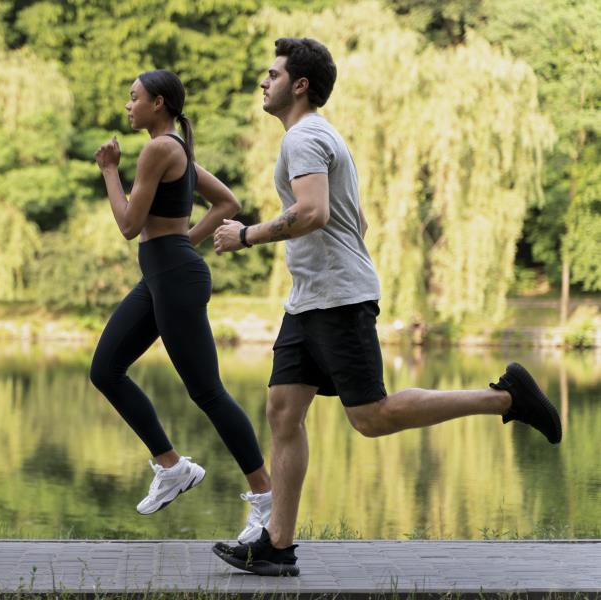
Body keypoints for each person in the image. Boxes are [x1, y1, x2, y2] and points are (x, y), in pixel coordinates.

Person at [210, 38, 562, 576]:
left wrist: (247, 235)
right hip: (311, 298)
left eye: (273, 73)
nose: (264, 81)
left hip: (337, 298)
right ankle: (277, 544)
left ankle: (506, 399)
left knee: (371, 418)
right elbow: (358, 221)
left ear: (299, 85)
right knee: (283, 411)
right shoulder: (317, 137)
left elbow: (312, 213)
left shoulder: (304, 137)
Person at [91, 70, 272, 542]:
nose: (128, 105)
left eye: (134, 98)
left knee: (207, 391)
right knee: (105, 369)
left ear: (160, 103)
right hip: (162, 275)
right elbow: (226, 202)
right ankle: (172, 467)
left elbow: (130, 224)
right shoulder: (178, 151)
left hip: (172, 277)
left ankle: (266, 498)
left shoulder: (158, 149)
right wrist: (185, 242)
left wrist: (109, 170)